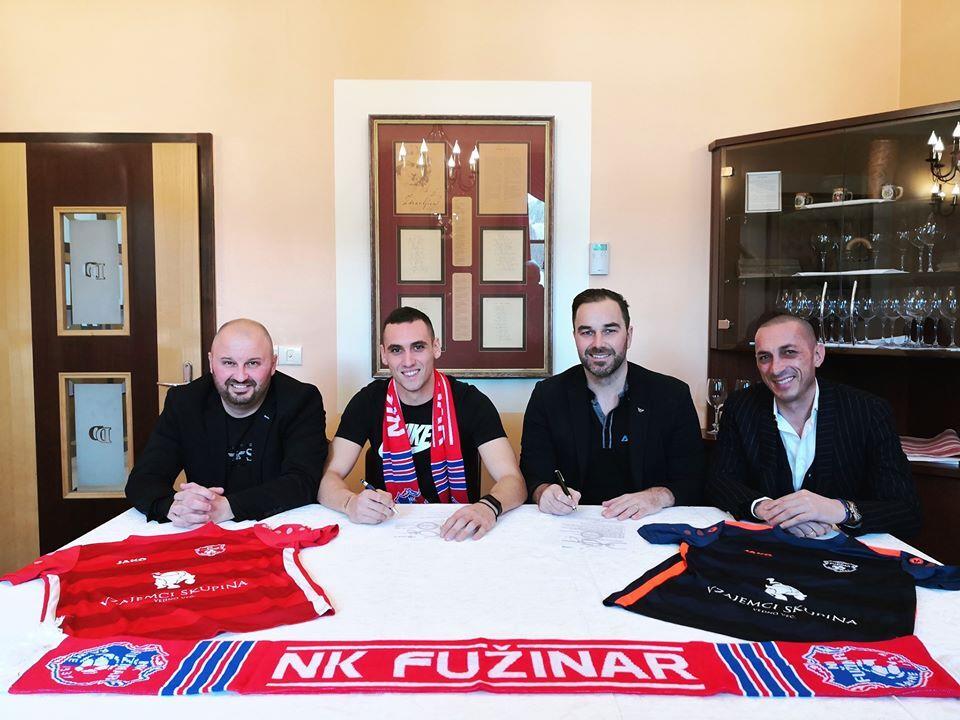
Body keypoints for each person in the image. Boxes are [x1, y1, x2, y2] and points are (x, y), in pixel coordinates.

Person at [318, 307, 526, 540]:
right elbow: (328, 478)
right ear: (384, 355)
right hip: (387, 529)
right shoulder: (368, 401)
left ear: (435, 347)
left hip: (456, 530)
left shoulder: (470, 402)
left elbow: (513, 480)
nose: (408, 361)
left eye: (418, 347)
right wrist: (349, 503)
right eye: (396, 350)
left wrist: (487, 507)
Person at [707, 313, 920, 538]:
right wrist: (768, 510)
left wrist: (837, 510)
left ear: (818, 355)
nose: (776, 369)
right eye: (764, 357)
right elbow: (719, 482)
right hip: (768, 545)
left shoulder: (869, 411)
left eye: (789, 352)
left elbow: (906, 511)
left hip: (844, 549)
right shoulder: (741, 406)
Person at [520, 288, 705, 519]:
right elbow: (532, 473)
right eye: (587, 332)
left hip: (647, 523)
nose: (598, 343)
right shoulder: (547, 395)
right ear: (575, 337)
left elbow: (693, 478)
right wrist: (544, 492)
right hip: (569, 524)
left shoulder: (672, 395)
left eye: (609, 330)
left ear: (629, 335)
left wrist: (658, 497)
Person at [126, 318, 328, 526]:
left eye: (253, 363)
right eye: (229, 363)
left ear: (273, 364)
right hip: (204, 527)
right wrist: (174, 506)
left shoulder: (301, 400)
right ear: (211, 362)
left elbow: (304, 481)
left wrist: (228, 507)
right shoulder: (185, 402)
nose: (240, 377)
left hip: (279, 526)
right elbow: (143, 479)